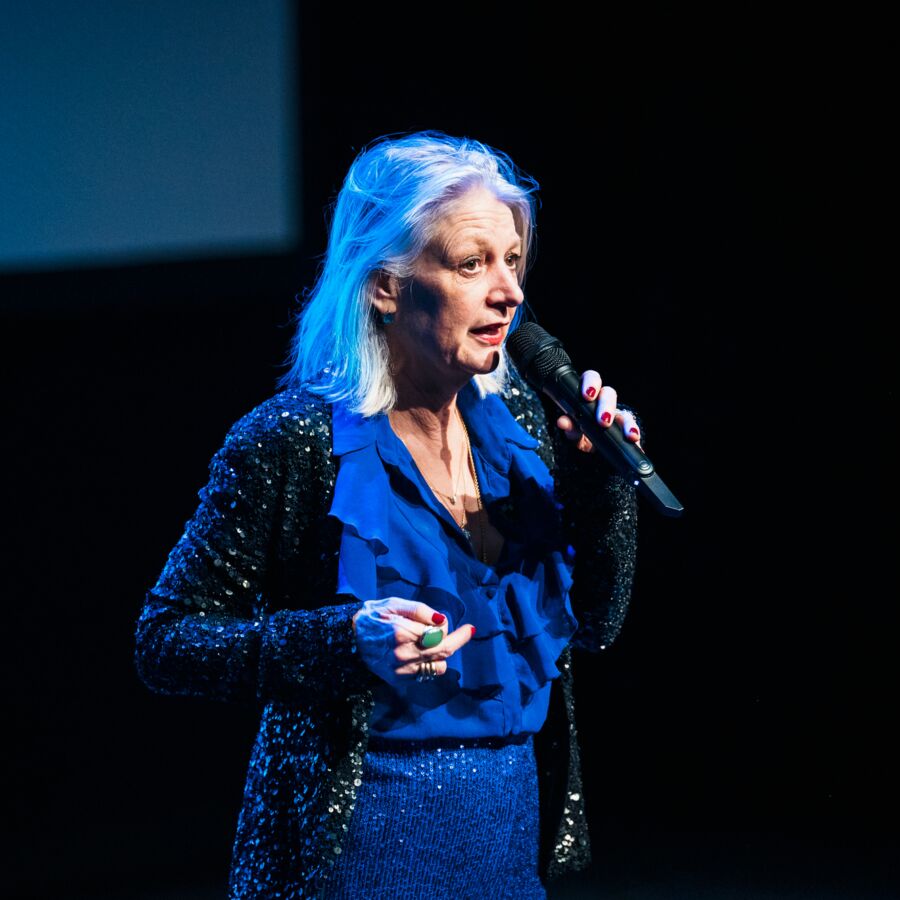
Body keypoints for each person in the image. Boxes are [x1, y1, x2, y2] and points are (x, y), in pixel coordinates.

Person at [134, 129, 642, 899]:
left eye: (512, 260)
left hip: (505, 856)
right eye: (472, 264)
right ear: (385, 286)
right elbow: (165, 641)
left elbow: (595, 623)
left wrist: (608, 484)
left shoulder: (524, 431)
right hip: (356, 857)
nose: (507, 290)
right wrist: (342, 642)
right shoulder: (294, 441)